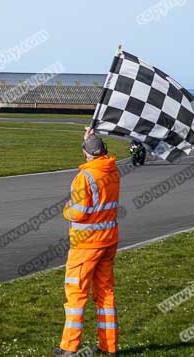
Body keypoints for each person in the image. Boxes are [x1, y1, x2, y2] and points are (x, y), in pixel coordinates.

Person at [55, 128, 120, 357]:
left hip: (86, 245)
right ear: (104, 152)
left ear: (85, 154)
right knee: (105, 293)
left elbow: (79, 212)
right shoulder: (112, 170)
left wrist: (66, 210)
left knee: (76, 294)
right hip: (108, 240)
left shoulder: (85, 177)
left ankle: (69, 348)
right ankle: (109, 346)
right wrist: (89, 139)